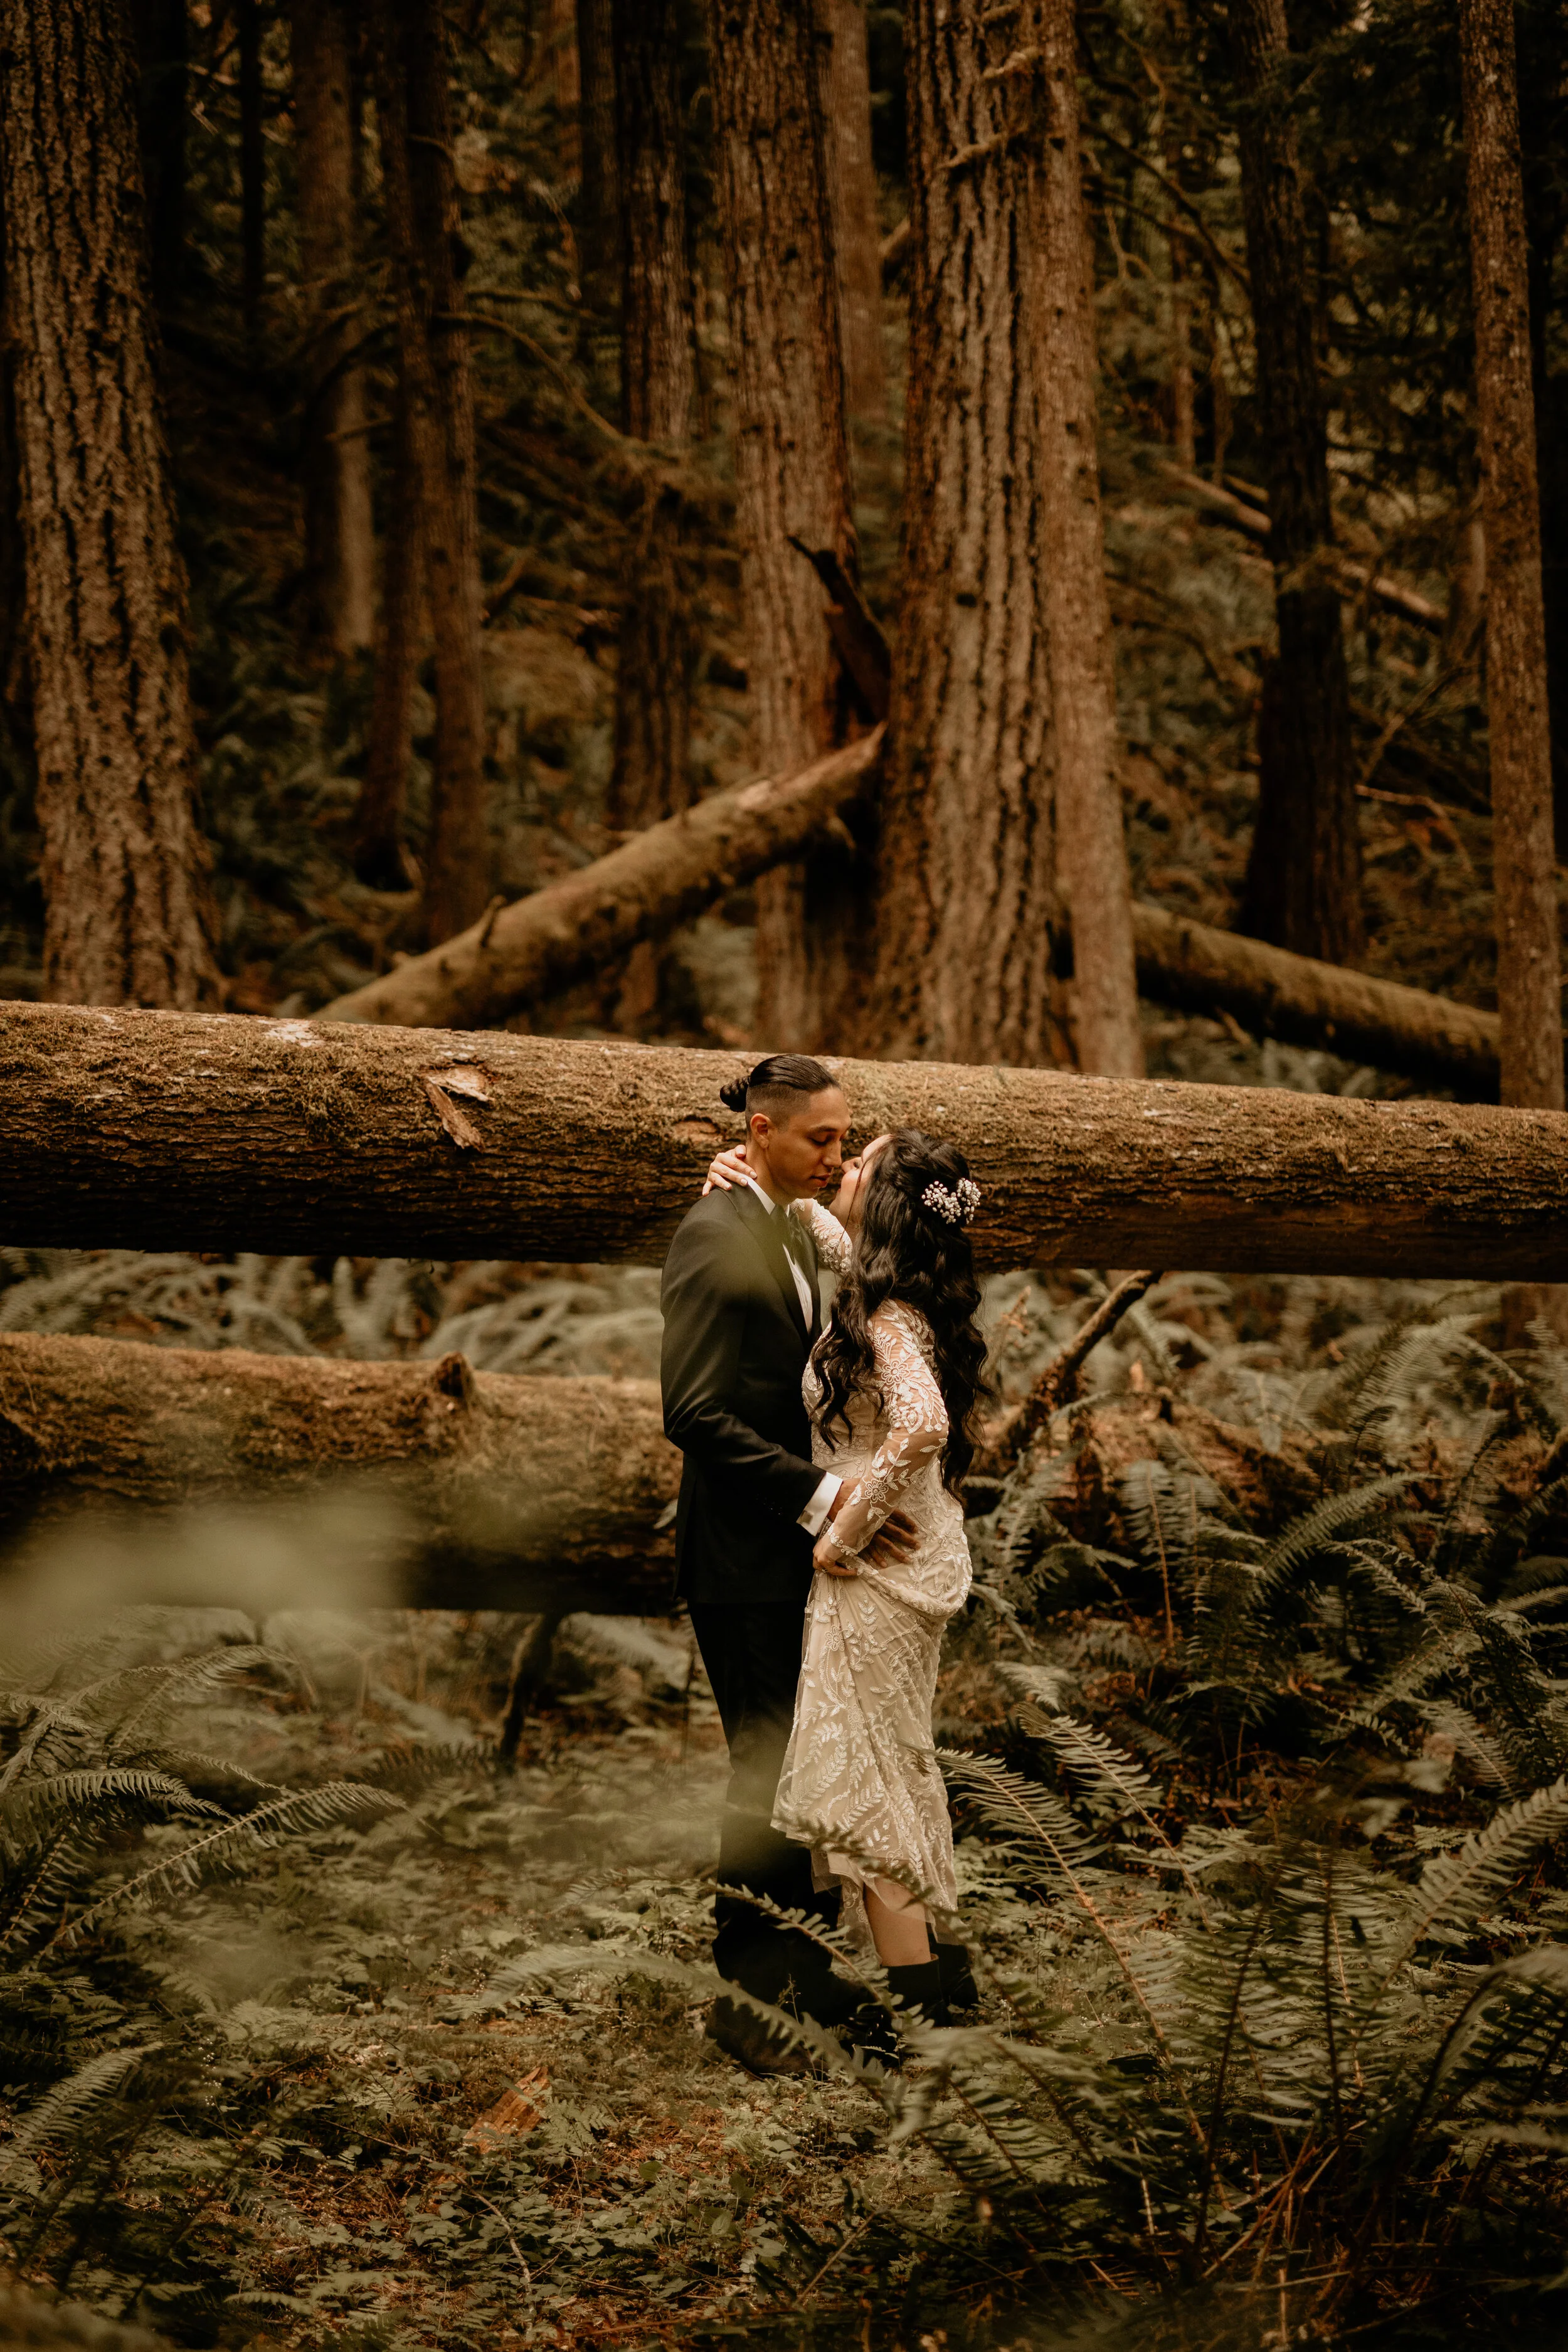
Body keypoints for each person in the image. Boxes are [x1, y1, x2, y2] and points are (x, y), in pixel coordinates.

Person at [702, 1124, 987, 2048]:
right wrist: (749, 1179)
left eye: (860, 1162)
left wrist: (844, 1530)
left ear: (891, 1202)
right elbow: (819, 1225)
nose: (842, 1168)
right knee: (889, 1769)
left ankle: (922, 2019)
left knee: (867, 1787)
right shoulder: (886, 1283)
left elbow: (923, 1427)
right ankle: (938, 1982)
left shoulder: (887, 1317)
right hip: (915, 1552)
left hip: (882, 1563)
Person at [660, 1054, 918, 2071]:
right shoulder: (711, 1232)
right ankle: (753, 2000)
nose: (837, 1154)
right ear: (760, 1133)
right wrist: (829, 1496)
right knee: (764, 1768)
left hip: (804, 1554)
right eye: (819, 1137)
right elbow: (692, 1411)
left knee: (794, 1767)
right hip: (742, 1553)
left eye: (844, 1136)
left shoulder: (799, 1224)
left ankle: (800, 1984)